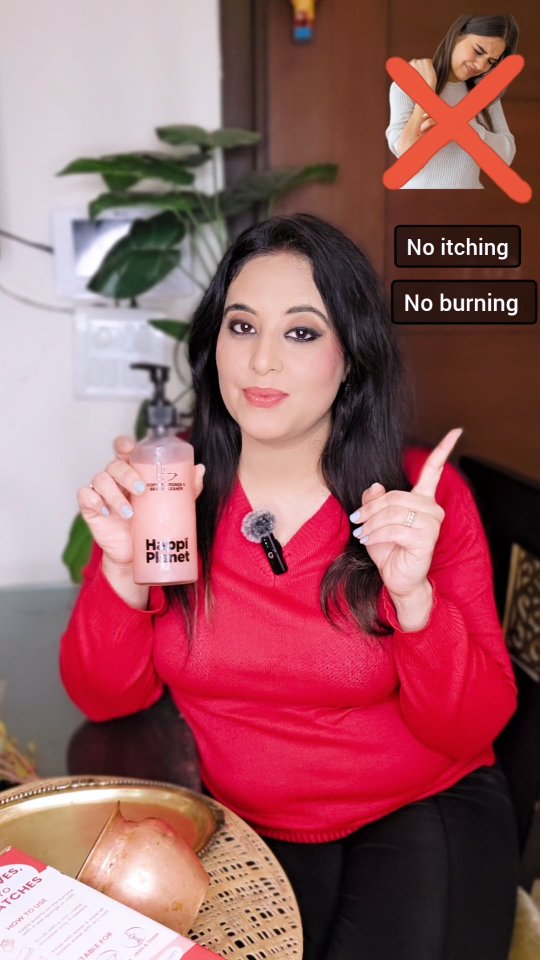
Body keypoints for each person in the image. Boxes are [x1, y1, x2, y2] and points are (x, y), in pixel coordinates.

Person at [60, 214, 519, 960]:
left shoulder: (417, 501)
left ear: (352, 357)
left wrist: (415, 601)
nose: (261, 360)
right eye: (242, 326)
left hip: (420, 803)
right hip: (244, 824)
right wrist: (119, 571)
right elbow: (105, 697)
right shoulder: (171, 489)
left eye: (301, 332)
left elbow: (468, 729)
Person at [385, 14, 518, 188]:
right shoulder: (406, 84)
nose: (480, 66)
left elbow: (506, 155)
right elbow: (405, 153)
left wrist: (465, 128)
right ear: (457, 36)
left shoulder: (486, 95)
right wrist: (426, 91)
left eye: (491, 62)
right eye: (478, 51)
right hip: (418, 200)